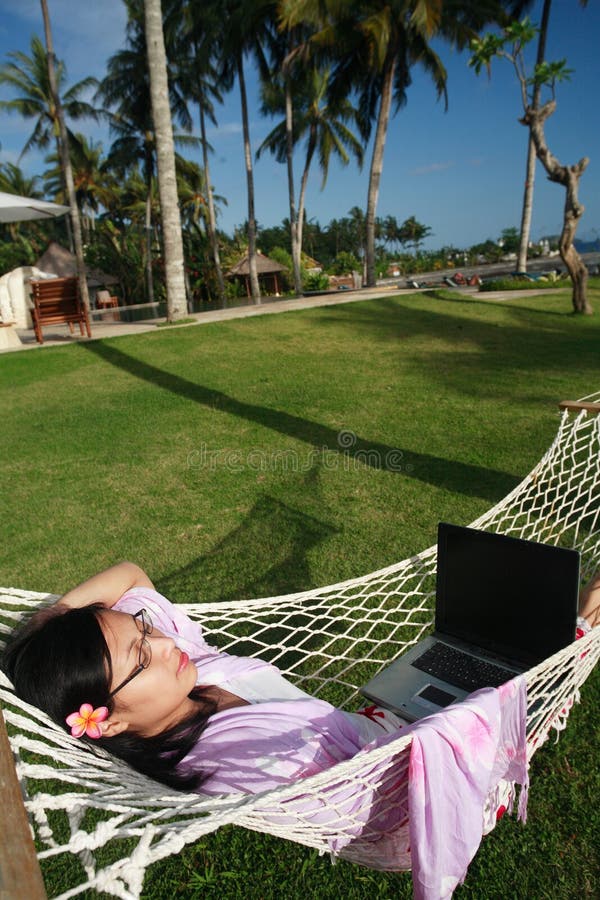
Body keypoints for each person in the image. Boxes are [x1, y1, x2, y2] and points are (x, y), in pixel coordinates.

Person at [2, 561, 598, 797]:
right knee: (548, 645)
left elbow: (130, 574)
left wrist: (41, 632)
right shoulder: (229, 760)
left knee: (476, 642)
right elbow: (387, 794)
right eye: (139, 657)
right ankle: (578, 626)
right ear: (107, 722)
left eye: (142, 630)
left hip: (378, 726)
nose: (161, 643)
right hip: (418, 768)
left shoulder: (183, 669)